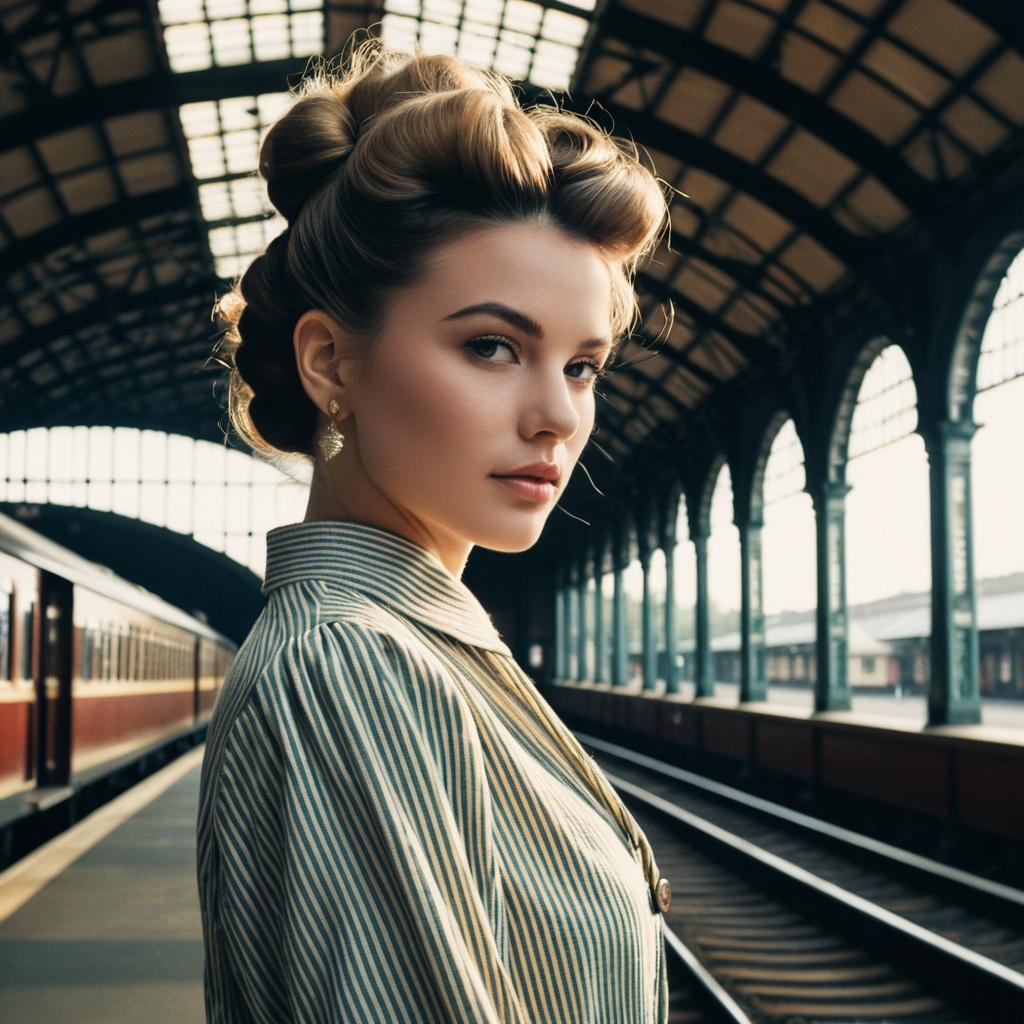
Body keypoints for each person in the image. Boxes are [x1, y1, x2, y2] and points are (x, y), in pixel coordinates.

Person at [197, 32, 674, 1023]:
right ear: (330, 362)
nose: (557, 414)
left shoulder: (417, 651)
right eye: (493, 346)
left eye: (581, 365)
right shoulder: (350, 666)